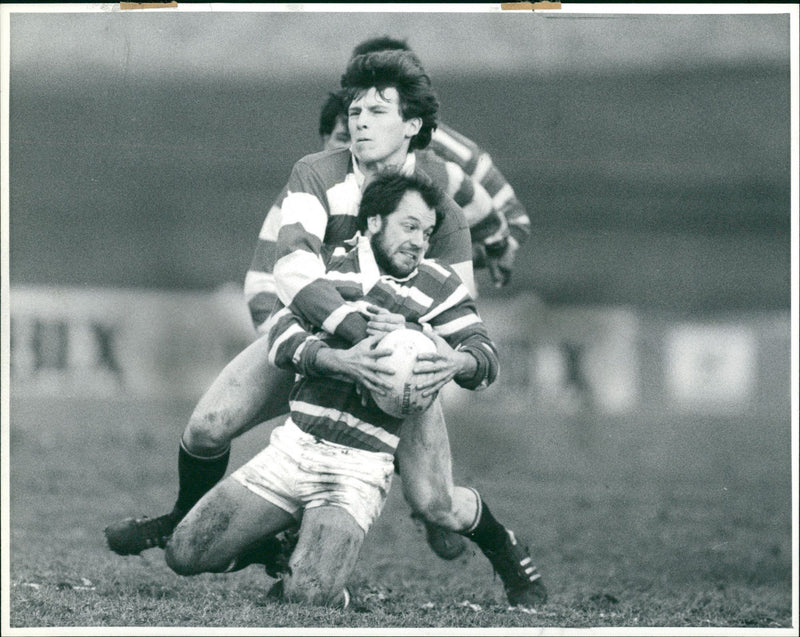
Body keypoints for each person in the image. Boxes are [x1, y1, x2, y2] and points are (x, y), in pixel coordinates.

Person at [104, 50, 514, 573]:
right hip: (320, 340)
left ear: (412, 125)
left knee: (434, 501)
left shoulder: (440, 207)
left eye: (375, 113)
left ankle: (506, 549)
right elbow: (291, 270)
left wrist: (416, 347)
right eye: (355, 113)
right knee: (207, 425)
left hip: (393, 365)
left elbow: (456, 313)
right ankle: (189, 522)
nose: (358, 123)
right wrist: (341, 342)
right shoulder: (315, 174)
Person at [163, 170, 546, 608]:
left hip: (357, 471)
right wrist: (341, 360)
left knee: (311, 593)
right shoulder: (324, 269)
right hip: (294, 449)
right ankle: (279, 547)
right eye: (410, 226)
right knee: (184, 553)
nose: (420, 241)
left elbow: (485, 355)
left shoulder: (438, 285)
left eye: (427, 232)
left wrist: (452, 360)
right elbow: (283, 337)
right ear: (375, 222)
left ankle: (327, 581)